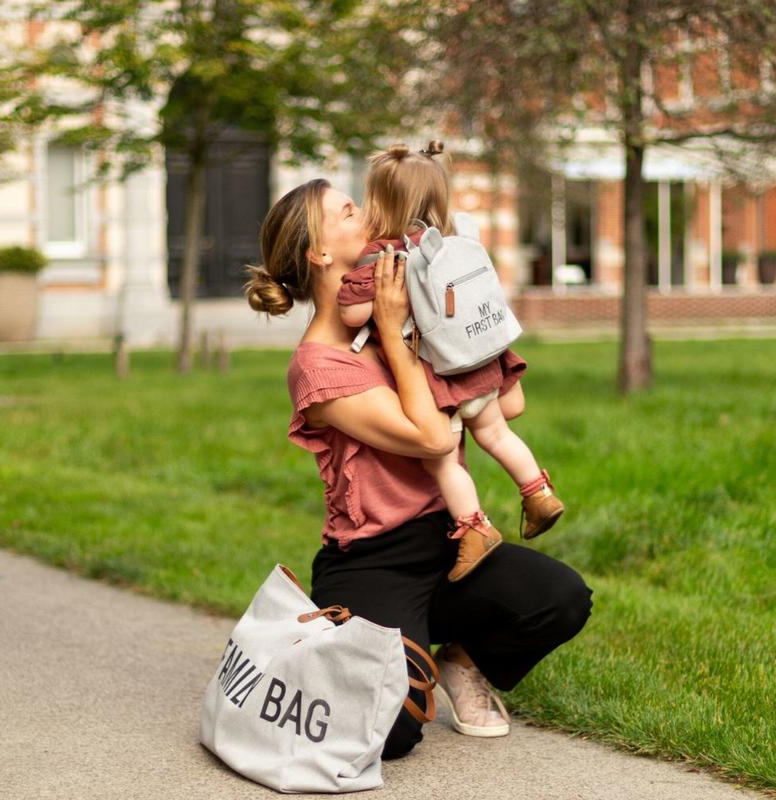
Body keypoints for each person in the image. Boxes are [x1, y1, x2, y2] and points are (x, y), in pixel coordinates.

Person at [245, 176, 592, 758]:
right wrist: (390, 328)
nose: (367, 215)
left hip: (450, 542)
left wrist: (466, 302)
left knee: (561, 598)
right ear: (320, 253)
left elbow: (510, 405)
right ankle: (365, 640)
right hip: (373, 561)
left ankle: (455, 650)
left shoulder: (403, 321)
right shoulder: (319, 366)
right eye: (349, 211)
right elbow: (432, 439)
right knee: (395, 731)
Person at [336, 140, 564, 582]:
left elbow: (353, 313)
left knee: (443, 461)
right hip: (481, 362)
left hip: (445, 376)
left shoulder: (387, 257)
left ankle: (475, 528)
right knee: (497, 433)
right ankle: (537, 491)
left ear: (379, 204)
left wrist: (358, 291)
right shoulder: (457, 240)